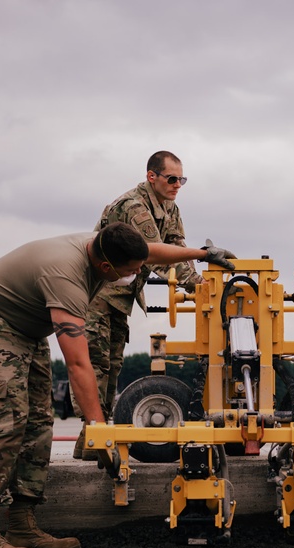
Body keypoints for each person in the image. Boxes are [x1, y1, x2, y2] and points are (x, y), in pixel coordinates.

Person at [0, 222, 235, 548]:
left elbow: (151, 252)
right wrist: (99, 431)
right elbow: (78, 364)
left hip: (27, 331)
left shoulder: (105, 247)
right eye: (132, 271)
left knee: (39, 425)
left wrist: (204, 254)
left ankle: (21, 525)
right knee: (5, 421)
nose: (136, 275)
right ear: (107, 268)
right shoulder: (66, 278)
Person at [81, 151, 204, 428]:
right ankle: (91, 434)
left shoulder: (170, 208)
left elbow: (178, 250)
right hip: (98, 296)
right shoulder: (134, 206)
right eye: (172, 179)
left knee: (111, 368)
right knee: (96, 367)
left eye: (181, 180)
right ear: (152, 176)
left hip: (119, 298)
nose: (177, 186)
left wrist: (201, 283)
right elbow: (154, 254)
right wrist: (201, 287)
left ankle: (91, 441)